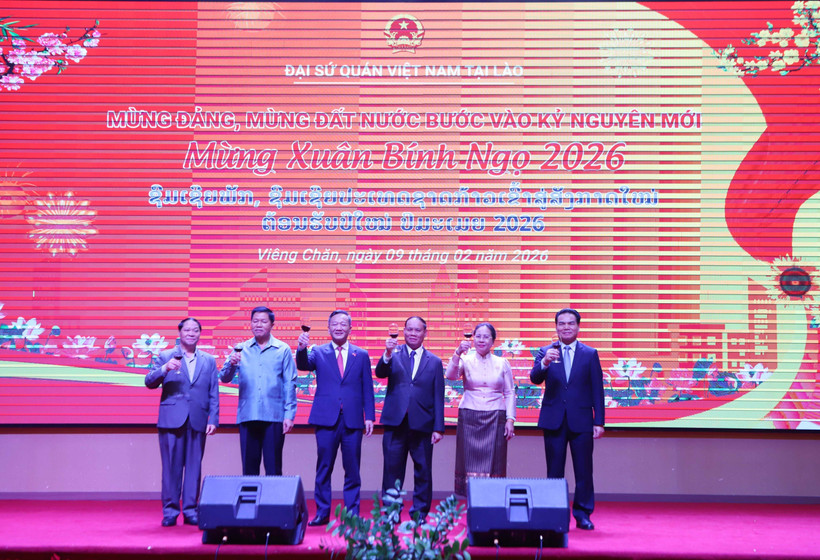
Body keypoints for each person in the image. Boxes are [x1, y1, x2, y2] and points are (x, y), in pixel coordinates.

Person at [296, 310, 375, 526]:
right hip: (325, 419)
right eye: (334, 324)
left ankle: (352, 514)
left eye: (343, 324)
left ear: (350, 328)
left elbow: (367, 387)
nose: (338, 327)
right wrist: (301, 349)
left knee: (352, 469)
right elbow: (303, 365)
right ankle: (322, 512)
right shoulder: (318, 352)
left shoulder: (362, 354)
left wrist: (369, 416)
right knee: (324, 467)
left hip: (352, 420)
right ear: (329, 328)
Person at [529, 308, 605, 530]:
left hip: (581, 420)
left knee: (584, 470)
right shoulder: (546, 352)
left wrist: (598, 421)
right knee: (554, 471)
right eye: (561, 324)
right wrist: (544, 364)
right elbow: (534, 378)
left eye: (570, 323)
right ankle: (554, 513)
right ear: (556, 327)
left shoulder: (590, 354)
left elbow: (597, 390)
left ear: (578, 327)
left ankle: (582, 514)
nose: (566, 327)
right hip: (554, 420)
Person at [145, 317, 219, 527]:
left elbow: (213, 391)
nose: (191, 333)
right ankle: (170, 511)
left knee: (194, 467)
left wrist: (213, 418)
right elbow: (149, 382)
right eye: (187, 330)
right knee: (171, 468)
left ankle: (190, 510)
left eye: (195, 330)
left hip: (197, 418)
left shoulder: (208, 360)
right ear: (180, 333)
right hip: (171, 420)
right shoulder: (166, 356)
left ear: (199, 334)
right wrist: (165, 369)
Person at [375, 316, 444, 520]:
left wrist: (438, 428)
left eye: (418, 330)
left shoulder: (435, 361)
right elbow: (380, 372)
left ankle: (419, 513)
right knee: (391, 471)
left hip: (423, 424)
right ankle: (391, 513)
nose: (413, 333)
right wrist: (386, 354)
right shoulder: (393, 355)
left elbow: (438, 396)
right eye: (409, 330)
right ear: (404, 332)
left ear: (425, 333)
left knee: (423, 472)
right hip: (395, 423)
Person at [220, 306, 297, 476]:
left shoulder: (282, 349)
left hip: (274, 416)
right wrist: (231, 364)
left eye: (263, 321)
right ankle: (249, 503)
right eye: (255, 321)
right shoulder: (241, 348)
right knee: (249, 469)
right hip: (248, 415)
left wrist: (289, 414)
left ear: (272, 325)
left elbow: (289, 384)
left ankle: (273, 503)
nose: (258, 325)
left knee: (274, 468)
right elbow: (224, 378)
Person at [445, 322, 515, 497]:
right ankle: (472, 501)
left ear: (493, 341)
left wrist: (510, 419)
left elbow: (510, 392)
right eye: (478, 336)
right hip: (469, 415)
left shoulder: (502, 362)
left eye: (486, 337)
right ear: (473, 338)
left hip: (496, 416)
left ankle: (493, 502)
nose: (481, 340)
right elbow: (450, 376)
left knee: (495, 462)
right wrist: (457, 354)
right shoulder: (465, 359)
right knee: (468, 462)